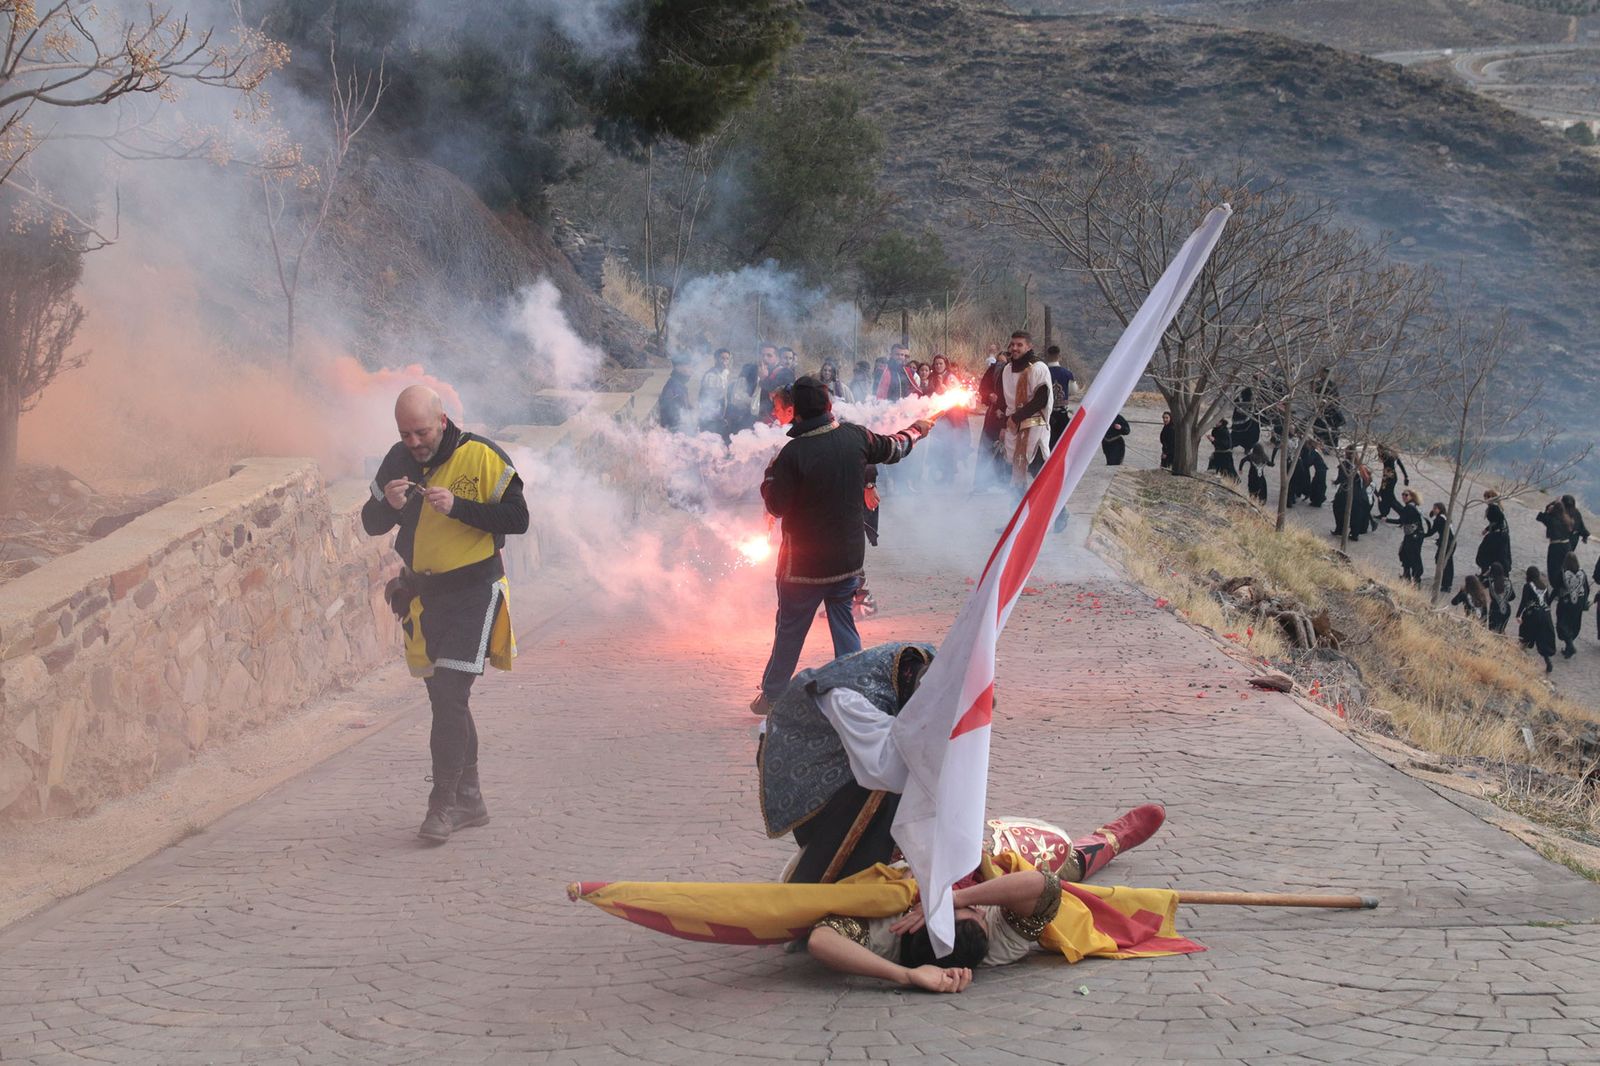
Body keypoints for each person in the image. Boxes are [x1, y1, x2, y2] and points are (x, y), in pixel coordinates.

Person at [362, 386, 529, 843]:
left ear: (442, 419)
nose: (414, 442)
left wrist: (461, 508)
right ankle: (470, 798)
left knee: (451, 693)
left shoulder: (481, 456)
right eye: (405, 433)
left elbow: (518, 518)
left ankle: (442, 805)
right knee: (446, 699)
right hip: (425, 596)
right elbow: (370, 522)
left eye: (420, 432)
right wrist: (388, 506)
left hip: (475, 592)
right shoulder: (397, 460)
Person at [750, 377, 933, 714]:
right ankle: (856, 693)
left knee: (790, 632)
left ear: (796, 415)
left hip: (802, 567)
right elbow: (895, 447)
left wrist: (770, 476)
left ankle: (772, 695)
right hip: (847, 559)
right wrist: (918, 430)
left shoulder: (792, 454)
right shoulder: (855, 436)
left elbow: (776, 506)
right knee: (844, 625)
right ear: (830, 406)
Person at [999, 331, 1053, 488]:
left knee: (1039, 471)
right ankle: (1018, 507)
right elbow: (1005, 399)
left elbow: (1041, 399)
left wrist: (1017, 417)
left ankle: (1059, 511)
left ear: (1029, 346)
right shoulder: (1007, 369)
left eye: (1019, 345)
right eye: (1013, 344)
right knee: (1014, 470)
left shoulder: (1038, 368)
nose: (1014, 348)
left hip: (1033, 425)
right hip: (1013, 427)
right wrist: (1005, 422)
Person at [976, 347, 1011, 491]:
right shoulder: (992, 371)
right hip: (992, 416)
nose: (1000, 365)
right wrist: (989, 395)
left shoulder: (1014, 372)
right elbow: (983, 388)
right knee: (987, 446)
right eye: (998, 362)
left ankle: (1004, 481)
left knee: (1007, 449)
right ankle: (983, 481)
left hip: (1008, 414)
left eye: (1004, 362)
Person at [1517, 566, 1557, 672]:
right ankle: (1548, 662)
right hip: (1545, 615)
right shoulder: (1544, 586)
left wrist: (1518, 615)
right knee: (1542, 639)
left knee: (1525, 636)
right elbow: (1547, 601)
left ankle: (1518, 659)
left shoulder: (1527, 586)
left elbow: (1523, 602)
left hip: (1532, 615)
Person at [1331, 447, 1371, 541]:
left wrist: (1335, 482)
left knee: (1337, 508)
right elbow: (1367, 480)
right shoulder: (1359, 466)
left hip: (1346, 491)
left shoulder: (1345, 464)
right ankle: (1354, 533)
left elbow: (1341, 477)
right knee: (1356, 513)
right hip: (1359, 493)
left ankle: (1340, 529)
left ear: (1347, 453)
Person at [1556, 552, 1590, 658]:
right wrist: (1585, 602)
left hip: (1566, 602)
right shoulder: (1582, 573)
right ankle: (1568, 648)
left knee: (1562, 624)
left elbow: (1557, 587)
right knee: (1573, 624)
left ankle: (1569, 645)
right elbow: (1587, 588)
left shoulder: (1563, 573)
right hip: (1579, 602)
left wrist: (1548, 600)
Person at [1536, 501, 1574, 594]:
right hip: (1566, 546)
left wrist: (1548, 509)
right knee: (1564, 567)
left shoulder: (1551, 520)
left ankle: (1557, 588)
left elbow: (1539, 516)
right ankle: (1565, 585)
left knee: (1553, 568)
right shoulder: (1567, 520)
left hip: (1556, 546)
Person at [1043, 345, 1075, 449]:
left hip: (1046, 414)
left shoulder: (1043, 372)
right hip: (1063, 414)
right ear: (1059, 356)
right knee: (1062, 444)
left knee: (1048, 443)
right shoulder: (1067, 374)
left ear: (1047, 356)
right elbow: (1073, 390)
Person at [698, 348, 735, 438]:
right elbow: (708, 396)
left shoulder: (725, 373)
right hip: (710, 410)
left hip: (720, 407)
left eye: (727, 359)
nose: (725, 361)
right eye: (722, 358)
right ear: (716, 359)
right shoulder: (710, 376)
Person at [1393, 489, 1426, 585]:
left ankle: (1416, 579)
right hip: (1412, 535)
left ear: (1411, 497)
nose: (1403, 496)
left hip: (1414, 536)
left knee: (1413, 555)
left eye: (1406, 495)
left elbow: (1401, 520)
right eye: (1402, 494)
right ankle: (1407, 575)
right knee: (1404, 553)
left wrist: (1387, 519)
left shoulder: (1410, 508)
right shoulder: (1410, 507)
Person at [1476, 501, 1513, 579]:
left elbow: (1481, 556)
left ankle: (1485, 575)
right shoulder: (1504, 531)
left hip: (1495, 539)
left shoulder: (1491, 537)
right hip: (1503, 570)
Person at [1426, 502, 1457, 594]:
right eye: (1434, 508)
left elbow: (1432, 531)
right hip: (1450, 542)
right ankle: (1445, 583)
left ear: (1440, 509)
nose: (1434, 510)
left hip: (1447, 544)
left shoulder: (1440, 519)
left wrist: (1423, 535)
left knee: (1443, 562)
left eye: (1436, 509)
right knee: (1446, 562)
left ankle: (1445, 584)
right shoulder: (1444, 517)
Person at [1375, 445, 1409, 520]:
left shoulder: (1385, 455)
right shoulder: (1393, 454)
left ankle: (1403, 513)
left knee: (1388, 497)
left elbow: (1380, 460)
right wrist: (1406, 476)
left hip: (1388, 478)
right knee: (1384, 495)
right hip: (1391, 477)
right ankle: (1384, 513)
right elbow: (1401, 465)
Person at [657, 359, 691, 432]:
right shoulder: (674, 387)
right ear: (678, 368)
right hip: (674, 431)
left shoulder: (679, 385)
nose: (691, 371)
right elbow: (672, 414)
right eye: (688, 367)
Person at [1486, 563, 1515, 634]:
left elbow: (1479, 583)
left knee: (1493, 631)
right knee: (1501, 631)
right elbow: (1513, 596)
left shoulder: (1491, 582)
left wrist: (1484, 575)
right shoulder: (1508, 581)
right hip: (1506, 609)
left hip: (1495, 609)